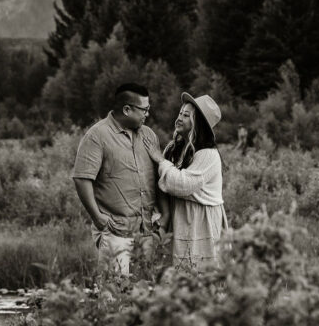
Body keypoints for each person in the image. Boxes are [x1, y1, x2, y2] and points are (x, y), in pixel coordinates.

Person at [72, 82, 168, 276]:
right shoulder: (97, 136)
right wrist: (98, 218)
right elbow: (82, 179)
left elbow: (159, 176)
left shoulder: (148, 135)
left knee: (143, 296)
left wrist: (165, 216)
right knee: (114, 296)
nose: (147, 114)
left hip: (147, 231)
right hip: (116, 231)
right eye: (144, 109)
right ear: (127, 109)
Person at [144, 93, 227, 269]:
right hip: (180, 218)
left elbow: (182, 184)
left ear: (198, 124)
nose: (179, 118)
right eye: (180, 113)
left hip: (201, 222)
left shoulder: (208, 154)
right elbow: (162, 182)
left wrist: (160, 160)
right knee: (178, 274)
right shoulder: (175, 148)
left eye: (186, 115)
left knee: (201, 274)